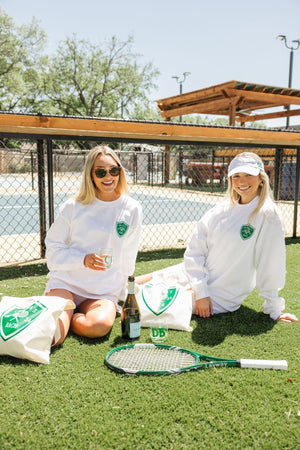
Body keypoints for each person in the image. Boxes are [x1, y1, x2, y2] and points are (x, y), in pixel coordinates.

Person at [184, 152, 298, 323]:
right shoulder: (219, 211)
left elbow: (271, 263)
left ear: (261, 178)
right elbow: (195, 251)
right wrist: (200, 290)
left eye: (248, 175)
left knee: (148, 303)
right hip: (196, 280)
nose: (241, 181)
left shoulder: (268, 215)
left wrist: (274, 309)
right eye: (236, 176)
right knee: (137, 285)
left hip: (221, 296)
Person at [45, 145, 143, 345]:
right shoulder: (72, 206)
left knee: (97, 327)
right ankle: (63, 313)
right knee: (52, 336)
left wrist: (124, 292)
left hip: (102, 290)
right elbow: (53, 250)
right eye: (100, 171)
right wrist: (83, 259)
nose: (108, 176)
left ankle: (69, 314)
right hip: (67, 284)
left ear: (120, 171)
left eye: (113, 170)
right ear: (90, 174)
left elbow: (128, 255)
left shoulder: (132, 208)